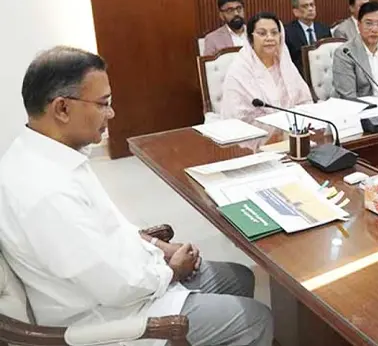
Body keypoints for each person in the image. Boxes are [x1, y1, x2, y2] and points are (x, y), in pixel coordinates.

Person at [0, 47, 274, 346]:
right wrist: (171, 270)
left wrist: (159, 246)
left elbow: (111, 226)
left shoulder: (47, 153)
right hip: (112, 320)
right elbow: (116, 287)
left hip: (134, 281)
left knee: (240, 277)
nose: (111, 113)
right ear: (62, 109)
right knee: (256, 319)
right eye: (103, 104)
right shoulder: (46, 193)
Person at [221, 12, 313, 123]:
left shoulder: (286, 65)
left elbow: (305, 102)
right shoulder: (239, 71)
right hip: (254, 131)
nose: (269, 38)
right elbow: (236, 117)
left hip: (292, 128)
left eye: (274, 33)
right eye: (262, 33)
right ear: (250, 39)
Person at [332, 1, 378, 98]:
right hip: (358, 105)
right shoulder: (345, 53)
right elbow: (348, 96)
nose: (374, 29)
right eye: (369, 23)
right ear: (359, 25)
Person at [284, 0, 332, 77]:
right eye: (305, 6)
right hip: (299, 76)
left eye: (312, 5)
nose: (310, 9)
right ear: (296, 12)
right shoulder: (288, 32)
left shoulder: (324, 29)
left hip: (324, 74)